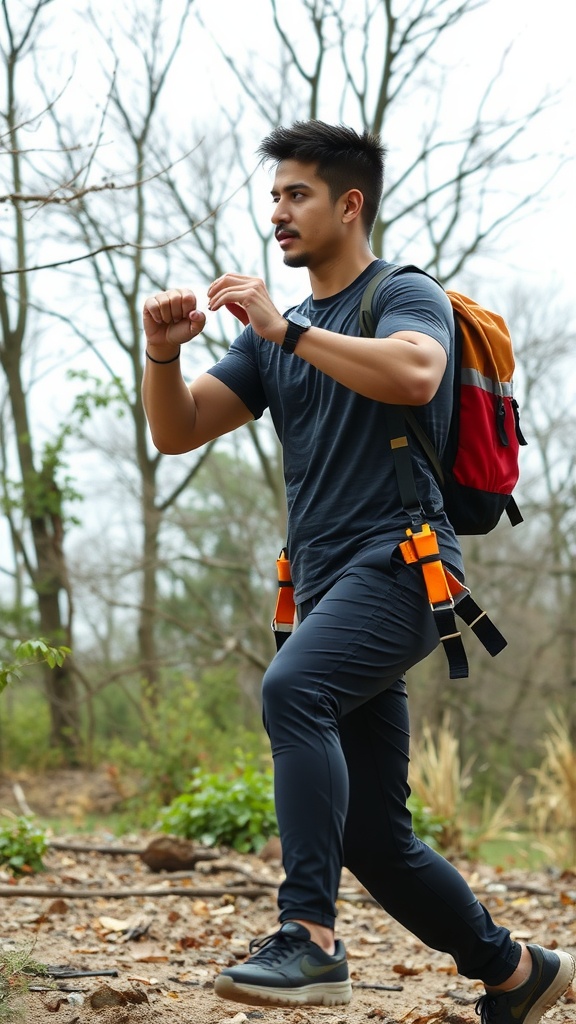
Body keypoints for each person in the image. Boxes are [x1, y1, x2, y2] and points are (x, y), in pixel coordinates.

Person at [141, 120, 574, 1024]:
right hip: (326, 584)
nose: (278, 213)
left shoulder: (399, 293)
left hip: (405, 567)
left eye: (297, 195)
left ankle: (311, 939)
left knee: (292, 691)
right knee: (374, 837)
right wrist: (164, 353)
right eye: (273, 197)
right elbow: (177, 430)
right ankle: (515, 971)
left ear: (350, 203)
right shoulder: (275, 337)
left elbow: (418, 374)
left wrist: (284, 333)